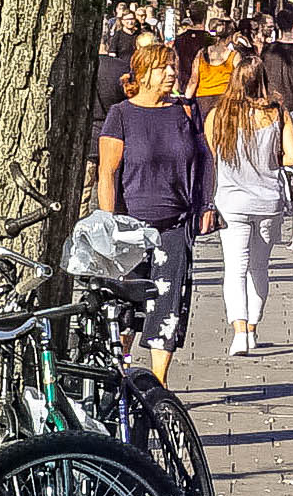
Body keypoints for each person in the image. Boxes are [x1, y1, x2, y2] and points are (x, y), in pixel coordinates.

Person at [92, 38, 215, 379]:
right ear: (143, 74)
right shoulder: (121, 114)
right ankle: (121, 372)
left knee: (168, 304)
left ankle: (159, 383)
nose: (171, 73)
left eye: (173, 66)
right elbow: (107, 173)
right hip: (131, 225)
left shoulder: (185, 111)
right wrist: (109, 222)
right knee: (126, 306)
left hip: (175, 225)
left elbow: (205, 159)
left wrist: (206, 204)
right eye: (163, 67)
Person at [209, 56, 293, 356]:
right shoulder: (277, 113)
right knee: (259, 267)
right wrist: (268, 157)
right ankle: (252, 329)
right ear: (263, 79)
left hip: (231, 201)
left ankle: (238, 332)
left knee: (234, 269)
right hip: (268, 201)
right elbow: (292, 157)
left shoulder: (219, 114)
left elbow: (210, 154)